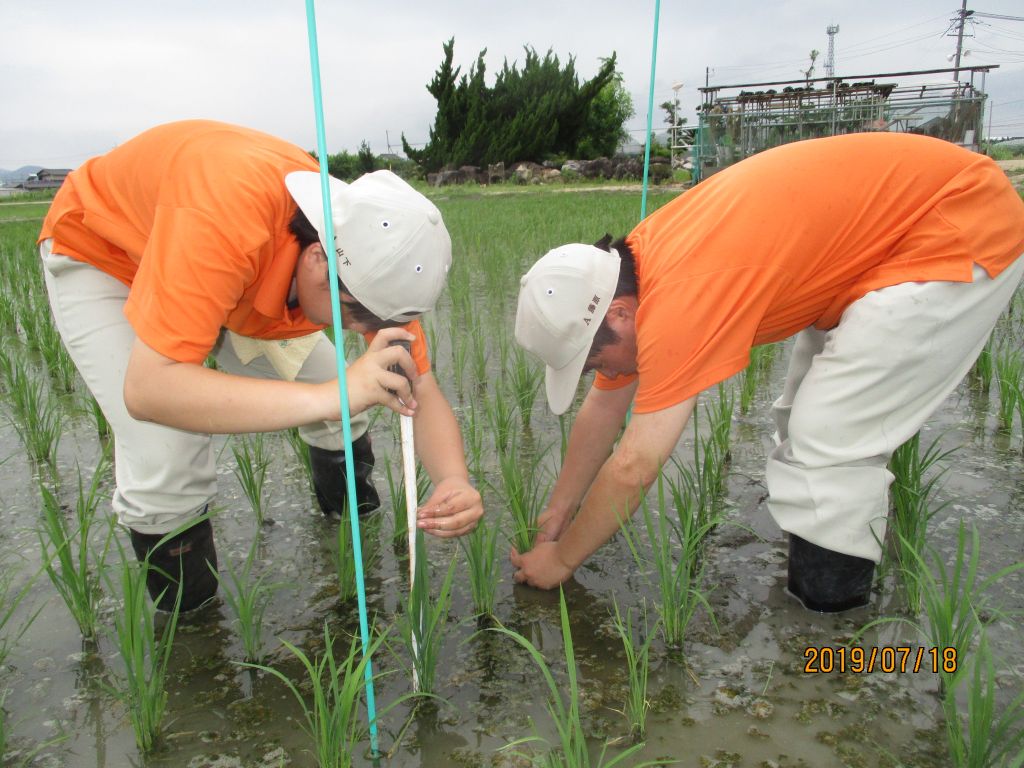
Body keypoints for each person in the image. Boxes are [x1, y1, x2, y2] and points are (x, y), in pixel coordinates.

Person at [511, 132, 1024, 612]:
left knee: (828, 442)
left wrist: (560, 560)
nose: (601, 374)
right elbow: (603, 406)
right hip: (884, 245)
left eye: (595, 360)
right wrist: (561, 510)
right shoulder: (635, 273)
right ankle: (838, 555)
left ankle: (829, 631)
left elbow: (635, 464)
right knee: (799, 421)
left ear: (619, 314)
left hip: (955, 224)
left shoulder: (680, 297)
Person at [39, 119, 482, 611]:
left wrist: (454, 480)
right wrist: (330, 395)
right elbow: (148, 391)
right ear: (318, 257)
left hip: (233, 275)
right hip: (108, 255)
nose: (364, 331)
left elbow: (422, 388)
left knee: (344, 399)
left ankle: (350, 526)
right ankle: (192, 634)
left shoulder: (377, 254)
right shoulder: (229, 217)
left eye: (380, 321)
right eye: (357, 316)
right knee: (168, 458)